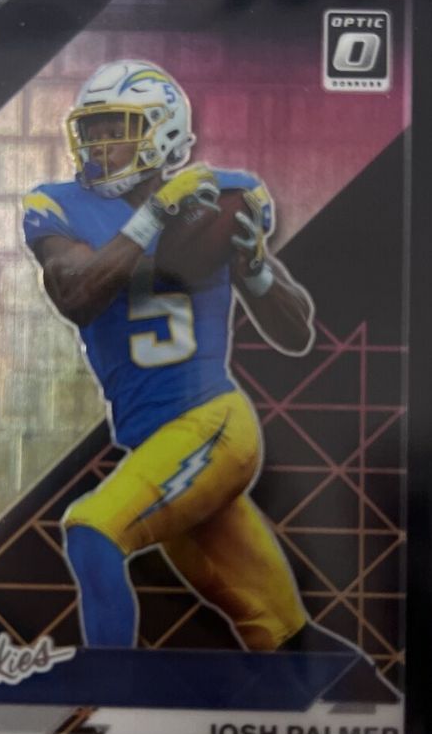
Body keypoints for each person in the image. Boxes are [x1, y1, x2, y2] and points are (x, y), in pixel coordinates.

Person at [22, 60, 397, 701]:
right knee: (281, 633)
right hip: (161, 447)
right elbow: (77, 296)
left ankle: (104, 704)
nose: (100, 144)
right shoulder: (58, 205)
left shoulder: (218, 197)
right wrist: (152, 218)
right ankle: (380, 713)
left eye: (117, 128)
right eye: (94, 128)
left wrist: (255, 266)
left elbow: (296, 333)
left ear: (164, 134)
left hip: (211, 422)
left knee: (93, 529)